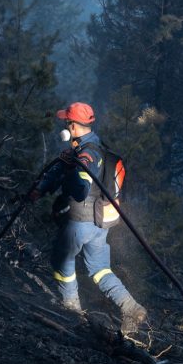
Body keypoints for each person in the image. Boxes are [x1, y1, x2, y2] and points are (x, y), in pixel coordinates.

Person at [26, 102, 147, 333]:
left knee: (61, 263)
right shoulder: (95, 146)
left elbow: (81, 188)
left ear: (73, 125)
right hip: (100, 224)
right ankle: (132, 308)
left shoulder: (87, 153)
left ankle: (72, 313)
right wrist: (40, 189)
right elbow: (60, 170)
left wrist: (74, 170)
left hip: (80, 222)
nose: (64, 124)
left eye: (66, 121)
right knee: (100, 269)